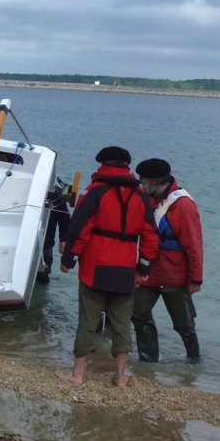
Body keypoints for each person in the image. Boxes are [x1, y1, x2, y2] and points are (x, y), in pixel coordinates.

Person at [59, 146, 159, 387]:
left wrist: (68, 260)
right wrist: (144, 269)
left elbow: (80, 229)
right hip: (125, 270)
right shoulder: (141, 196)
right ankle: (121, 377)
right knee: (122, 324)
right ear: (127, 166)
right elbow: (150, 236)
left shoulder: (93, 192)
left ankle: (78, 374)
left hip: (95, 268)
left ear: (102, 164)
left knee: (88, 321)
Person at [131, 158, 204, 363]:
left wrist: (196, 278)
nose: (140, 183)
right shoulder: (154, 200)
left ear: (153, 181)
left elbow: (194, 244)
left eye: (142, 180)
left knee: (184, 324)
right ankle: (148, 359)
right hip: (151, 273)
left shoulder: (183, 205)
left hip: (175, 276)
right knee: (137, 312)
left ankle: (194, 360)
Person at [36, 178, 71, 285]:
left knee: (43, 277)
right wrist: (64, 240)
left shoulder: (54, 194)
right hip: (43, 245)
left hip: (45, 246)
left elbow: (64, 218)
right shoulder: (55, 194)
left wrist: (64, 239)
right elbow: (65, 218)